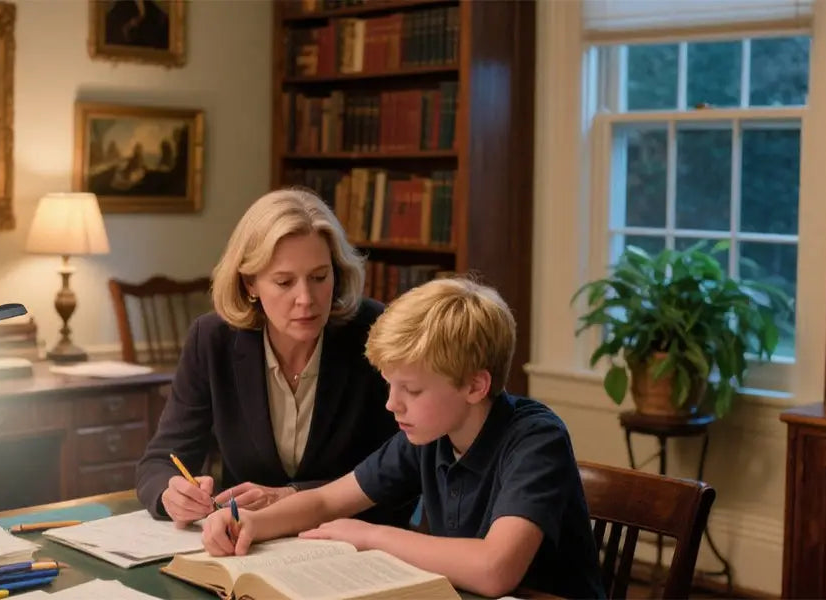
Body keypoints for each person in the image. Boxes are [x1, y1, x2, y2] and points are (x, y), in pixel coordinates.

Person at [199, 277, 607, 599]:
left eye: (411, 390)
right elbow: (327, 500)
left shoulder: (536, 440)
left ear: (474, 386)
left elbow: (494, 569)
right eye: (390, 386)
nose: (392, 404)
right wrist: (251, 522)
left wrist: (371, 536)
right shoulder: (431, 434)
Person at [134, 188, 411, 529]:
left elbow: (405, 471)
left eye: (319, 277)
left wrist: (294, 496)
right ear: (250, 283)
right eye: (284, 282)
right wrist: (171, 493)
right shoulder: (213, 340)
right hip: (247, 547)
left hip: (352, 543)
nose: (306, 299)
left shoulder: (374, 332)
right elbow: (162, 459)